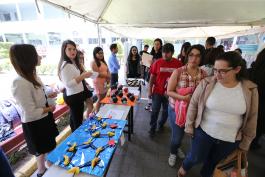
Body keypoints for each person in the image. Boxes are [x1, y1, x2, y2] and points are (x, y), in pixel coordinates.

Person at [178, 51, 258, 177]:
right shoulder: (207, 83)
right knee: (195, 157)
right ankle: (184, 168)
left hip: (230, 139)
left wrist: (246, 143)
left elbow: (252, 118)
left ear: (237, 69)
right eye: (215, 70)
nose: (217, 75)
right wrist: (189, 125)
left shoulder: (250, 89)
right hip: (203, 132)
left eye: (222, 71)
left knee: (214, 163)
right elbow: (193, 104)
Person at [10, 44, 59, 177]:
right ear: (28, 58)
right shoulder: (19, 82)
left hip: (44, 119)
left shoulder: (33, 76)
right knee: (44, 150)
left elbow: (38, 96)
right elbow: (30, 111)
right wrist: (49, 108)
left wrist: (49, 95)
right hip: (35, 124)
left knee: (47, 149)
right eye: (36, 54)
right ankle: (47, 171)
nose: (39, 56)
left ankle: (45, 170)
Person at [167, 45, 207, 167]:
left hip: (194, 112)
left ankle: (177, 147)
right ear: (187, 56)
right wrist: (184, 98)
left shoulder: (204, 74)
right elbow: (169, 91)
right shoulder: (178, 71)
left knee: (187, 135)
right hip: (176, 110)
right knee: (177, 137)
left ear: (201, 58)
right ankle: (173, 152)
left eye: (198, 56)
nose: (194, 58)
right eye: (191, 55)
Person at [148, 43, 182, 137]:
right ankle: (152, 128)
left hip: (171, 93)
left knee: (166, 111)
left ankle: (161, 124)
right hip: (157, 92)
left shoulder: (178, 64)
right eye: (163, 52)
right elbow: (152, 77)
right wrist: (149, 90)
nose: (164, 55)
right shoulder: (157, 62)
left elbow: (180, 79)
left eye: (167, 53)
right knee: (155, 111)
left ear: (172, 53)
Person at [58, 40, 93, 132]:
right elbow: (68, 84)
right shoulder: (66, 65)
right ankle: (77, 140)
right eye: (69, 49)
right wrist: (83, 76)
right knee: (77, 121)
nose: (73, 51)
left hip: (76, 94)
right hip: (73, 96)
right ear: (64, 50)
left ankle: (75, 138)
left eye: (74, 49)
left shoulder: (71, 62)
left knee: (75, 119)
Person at [248, 48, 265, 150]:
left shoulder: (251, 71)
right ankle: (253, 142)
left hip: (248, 103)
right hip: (262, 106)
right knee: (258, 125)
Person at [91, 47, 110, 113]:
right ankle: (96, 112)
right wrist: (107, 76)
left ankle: (104, 112)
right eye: (99, 53)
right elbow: (97, 74)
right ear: (95, 54)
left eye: (102, 53)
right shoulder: (93, 62)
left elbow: (107, 70)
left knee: (104, 97)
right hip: (98, 83)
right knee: (100, 98)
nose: (101, 54)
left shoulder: (103, 61)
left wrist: (108, 78)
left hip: (104, 82)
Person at [145, 38, 163, 111]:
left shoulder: (162, 55)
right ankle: (149, 104)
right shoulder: (150, 54)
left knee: (154, 90)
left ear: (161, 45)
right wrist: (145, 64)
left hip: (157, 76)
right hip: (149, 74)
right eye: (155, 44)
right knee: (148, 89)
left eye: (158, 44)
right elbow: (147, 65)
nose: (156, 45)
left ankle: (153, 105)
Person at [77, 50, 93, 117]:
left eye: (82, 58)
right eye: (79, 58)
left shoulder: (81, 65)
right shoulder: (75, 67)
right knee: (79, 111)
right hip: (78, 89)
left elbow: (85, 75)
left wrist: (86, 83)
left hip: (83, 87)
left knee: (90, 105)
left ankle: (88, 119)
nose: (81, 60)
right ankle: (88, 119)